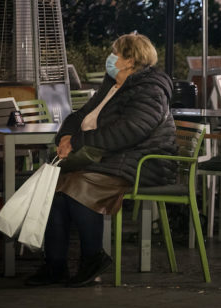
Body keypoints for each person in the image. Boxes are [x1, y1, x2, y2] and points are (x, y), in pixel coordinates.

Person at [25, 33, 177, 287]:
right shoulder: (113, 85)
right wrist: (66, 136)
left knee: (76, 187)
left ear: (130, 59)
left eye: (115, 53)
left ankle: (92, 259)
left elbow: (130, 130)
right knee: (54, 190)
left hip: (144, 163)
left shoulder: (149, 89)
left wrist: (78, 142)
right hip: (110, 157)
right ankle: (55, 266)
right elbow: (81, 114)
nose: (111, 58)